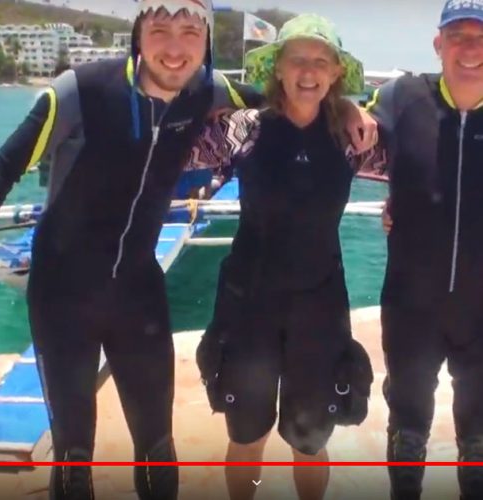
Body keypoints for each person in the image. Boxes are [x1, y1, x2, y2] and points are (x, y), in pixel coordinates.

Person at [0, 1, 266, 498]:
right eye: (160, 29)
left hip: (138, 293)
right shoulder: (80, 91)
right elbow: (3, 167)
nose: (175, 48)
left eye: (190, 31)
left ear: (206, 40)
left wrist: (349, 110)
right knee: (73, 453)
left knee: (157, 444)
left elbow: (291, 100)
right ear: (138, 32)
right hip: (61, 297)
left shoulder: (209, 89)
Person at [193, 14, 375, 500]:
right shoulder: (243, 130)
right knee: (246, 437)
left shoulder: (352, 138)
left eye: (320, 62)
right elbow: (168, 140)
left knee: (309, 442)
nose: (308, 71)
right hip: (247, 304)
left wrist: (357, 111)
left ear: (336, 72)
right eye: (297, 60)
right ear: (277, 67)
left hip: (320, 308)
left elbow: (425, 163)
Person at [367, 1, 483, 498]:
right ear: (438, 44)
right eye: (457, 36)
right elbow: (342, 121)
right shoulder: (402, 97)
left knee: (478, 437)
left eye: (481, 36)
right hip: (411, 305)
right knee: (408, 429)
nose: (470, 48)